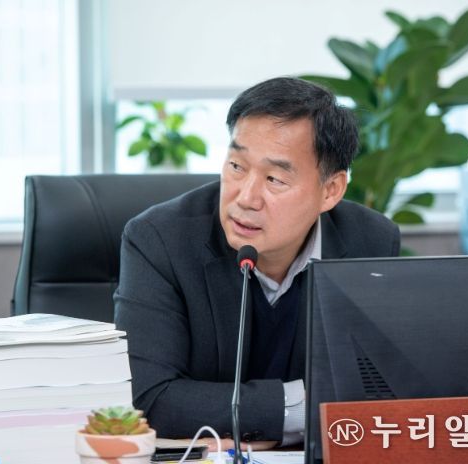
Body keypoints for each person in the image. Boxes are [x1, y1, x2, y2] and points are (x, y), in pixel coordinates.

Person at [114, 77, 400, 448]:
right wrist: (302, 409)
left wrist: (265, 424)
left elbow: (380, 391)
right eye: (236, 166)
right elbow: (151, 399)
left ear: (330, 191)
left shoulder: (370, 242)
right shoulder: (160, 240)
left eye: (275, 179)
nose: (246, 197)